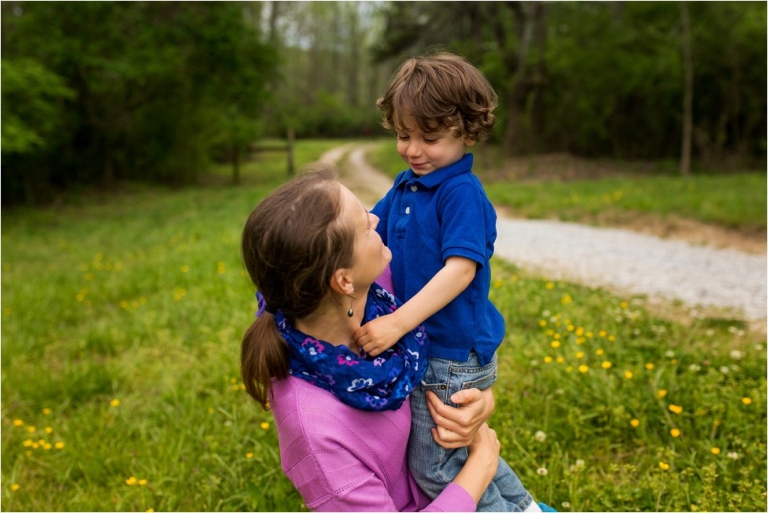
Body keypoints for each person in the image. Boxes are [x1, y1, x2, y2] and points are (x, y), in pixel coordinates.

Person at [240, 167, 503, 511]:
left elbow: (454, 347)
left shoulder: (383, 293)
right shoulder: (314, 431)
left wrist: (479, 400)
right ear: (343, 281)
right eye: (365, 225)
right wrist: (482, 463)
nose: (377, 221)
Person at [352, 52, 546, 512]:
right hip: (431, 345)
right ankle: (526, 508)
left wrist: (397, 324)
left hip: (451, 354)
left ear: (468, 132)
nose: (413, 149)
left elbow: (461, 270)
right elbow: (363, 227)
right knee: (462, 450)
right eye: (403, 135)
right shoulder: (406, 185)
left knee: (437, 468)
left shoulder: (461, 194)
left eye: (430, 138)